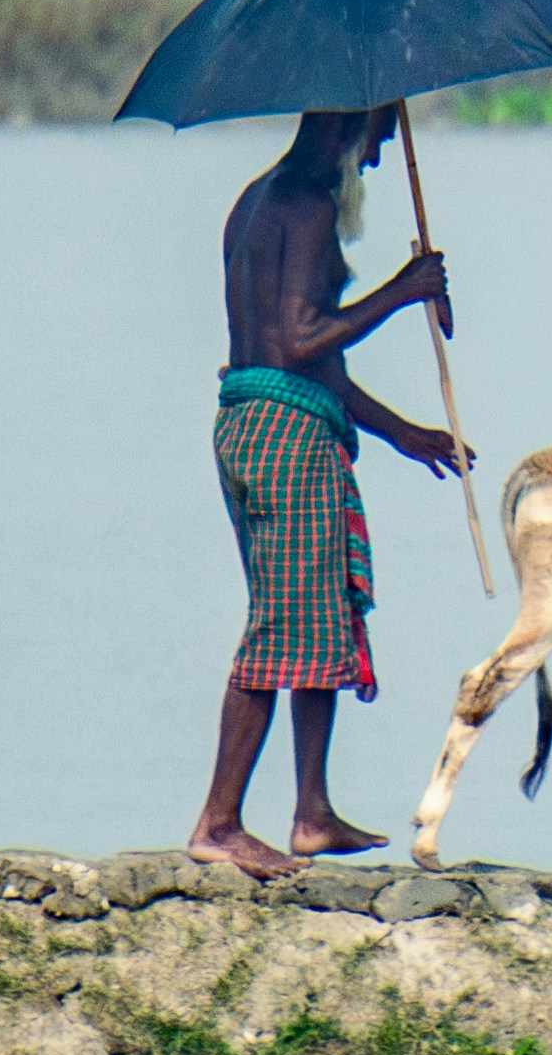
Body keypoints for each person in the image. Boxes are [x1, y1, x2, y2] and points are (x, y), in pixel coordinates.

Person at [193, 105, 466, 875]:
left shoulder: (257, 198)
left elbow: (301, 357)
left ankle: (311, 813)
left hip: (254, 420)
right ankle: (218, 823)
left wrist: (404, 434)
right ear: (348, 127)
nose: (378, 156)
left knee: (320, 619)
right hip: (285, 439)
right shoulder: (307, 204)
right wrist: (403, 289)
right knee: (282, 625)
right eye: (377, 136)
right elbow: (299, 339)